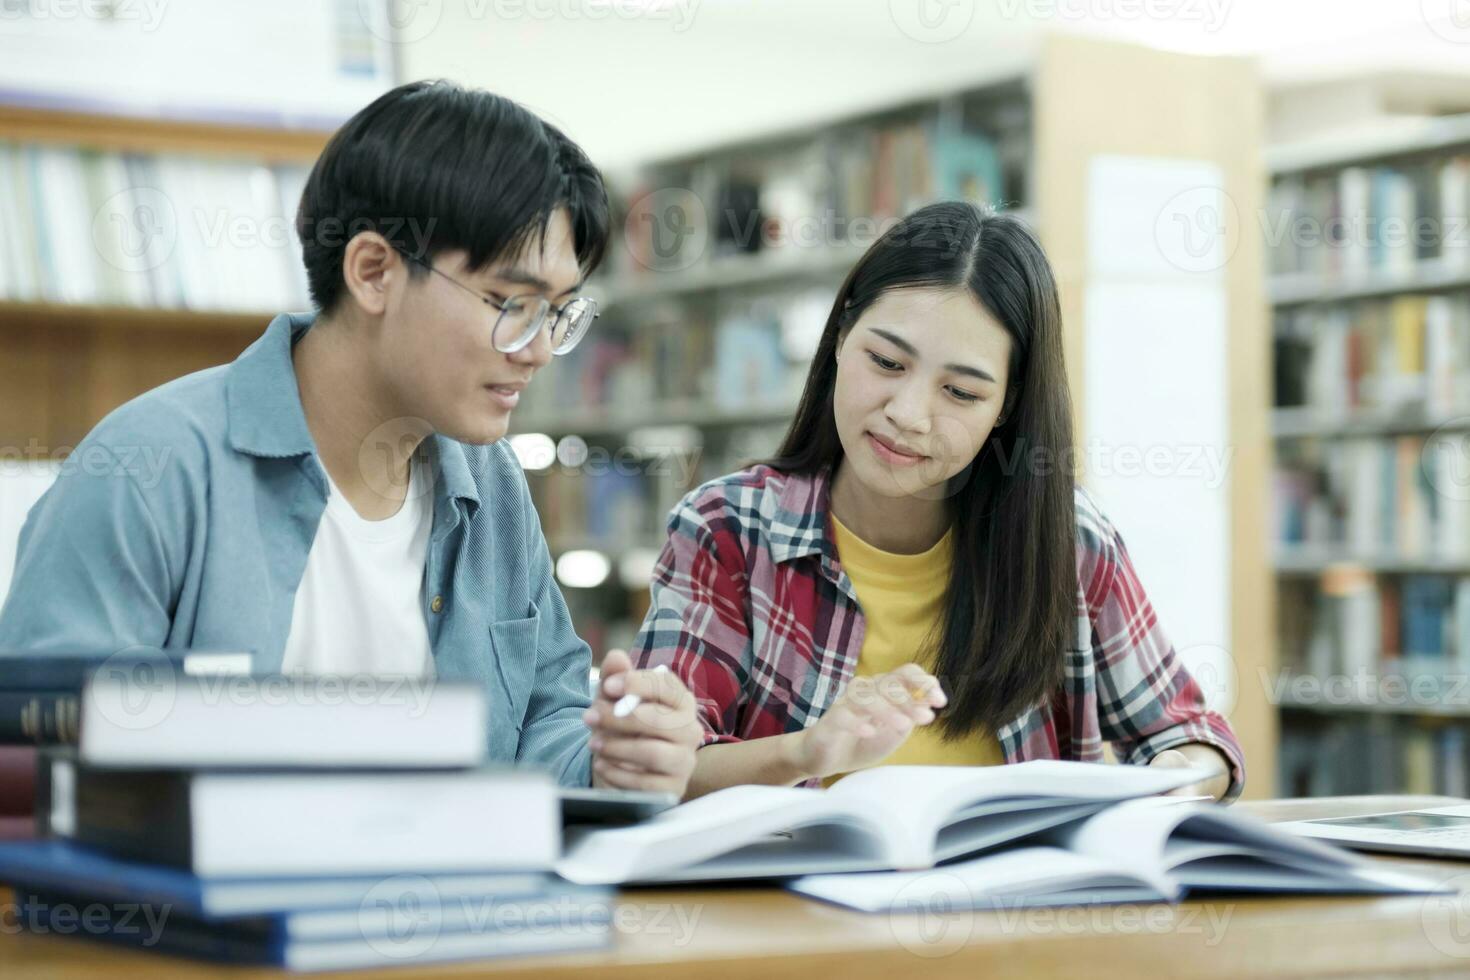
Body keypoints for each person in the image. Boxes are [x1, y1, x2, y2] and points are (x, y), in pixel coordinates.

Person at [0, 80, 700, 795]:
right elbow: (39, 762)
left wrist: (615, 756)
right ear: (373, 272)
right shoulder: (150, 466)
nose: (540, 349)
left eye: (558, 312)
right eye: (512, 303)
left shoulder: (492, 487)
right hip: (199, 905)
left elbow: (546, 724)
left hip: (458, 901)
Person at [618, 201, 1244, 802]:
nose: (908, 415)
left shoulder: (1069, 542)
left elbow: (1194, 738)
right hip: (791, 912)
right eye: (887, 362)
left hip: (1024, 911)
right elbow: (659, 767)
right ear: (840, 338)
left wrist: (1168, 785)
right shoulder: (728, 528)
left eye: (962, 393)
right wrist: (804, 753)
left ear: (1006, 406)